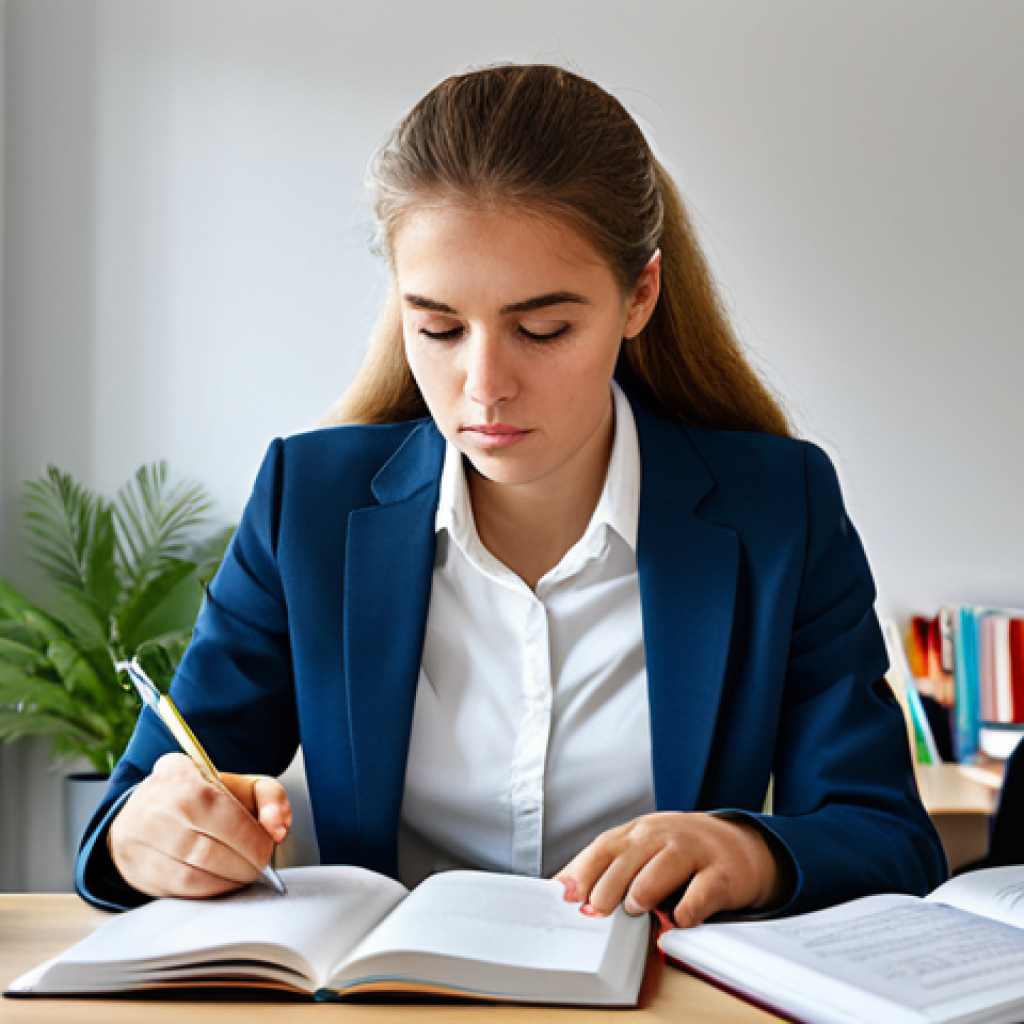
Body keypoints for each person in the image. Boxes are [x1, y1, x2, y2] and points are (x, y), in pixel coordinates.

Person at [77, 64, 946, 925]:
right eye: (439, 327)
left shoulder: (778, 510)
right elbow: (138, 812)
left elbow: (888, 837)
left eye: (542, 329)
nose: (483, 386)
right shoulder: (308, 505)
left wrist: (749, 851)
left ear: (640, 294)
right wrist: (146, 837)